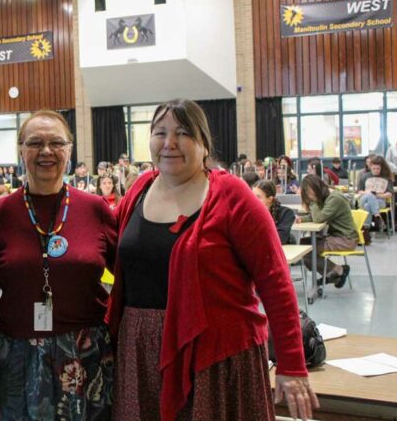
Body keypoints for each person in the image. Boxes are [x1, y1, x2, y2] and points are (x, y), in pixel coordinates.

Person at [107, 99, 316, 421]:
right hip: (141, 353)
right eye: (160, 132)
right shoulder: (139, 190)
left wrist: (291, 364)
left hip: (215, 356)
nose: (169, 143)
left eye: (183, 133)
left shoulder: (232, 195)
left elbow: (275, 282)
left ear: (204, 144)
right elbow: (103, 246)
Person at [0, 110, 117, 420]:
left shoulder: (96, 210)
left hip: (87, 358)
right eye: (35, 143)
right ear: (21, 150)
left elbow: (127, 281)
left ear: (69, 150)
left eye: (56, 142)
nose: (46, 151)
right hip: (16, 357)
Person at [297, 175, 355, 287]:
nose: (309, 196)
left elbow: (319, 218)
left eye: (309, 192)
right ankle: (333, 272)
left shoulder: (335, 198)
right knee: (301, 244)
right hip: (336, 236)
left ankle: (337, 271)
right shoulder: (327, 197)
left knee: (305, 251)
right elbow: (317, 216)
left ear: (317, 186)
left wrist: (312, 202)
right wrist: (301, 219)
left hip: (346, 239)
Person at [356, 155, 394, 229]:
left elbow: (389, 194)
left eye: (378, 169)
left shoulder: (386, 177)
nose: (376, 170)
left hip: (380, 201)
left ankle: (366, 227)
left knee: (368, 205)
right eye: (374, 168)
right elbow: (359, 191)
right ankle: (377, 215)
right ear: (370, 167)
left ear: (381, 168)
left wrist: (377, 195)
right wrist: (369, 194)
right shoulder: (364, 176)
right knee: (370, 195)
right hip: (364, 199)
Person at [253, 180, 296, 244]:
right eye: (252, 196)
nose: (253, 200)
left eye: (258, 197)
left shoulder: (286, 213)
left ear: (270, 199)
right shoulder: (249, 213)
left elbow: (280, 238)